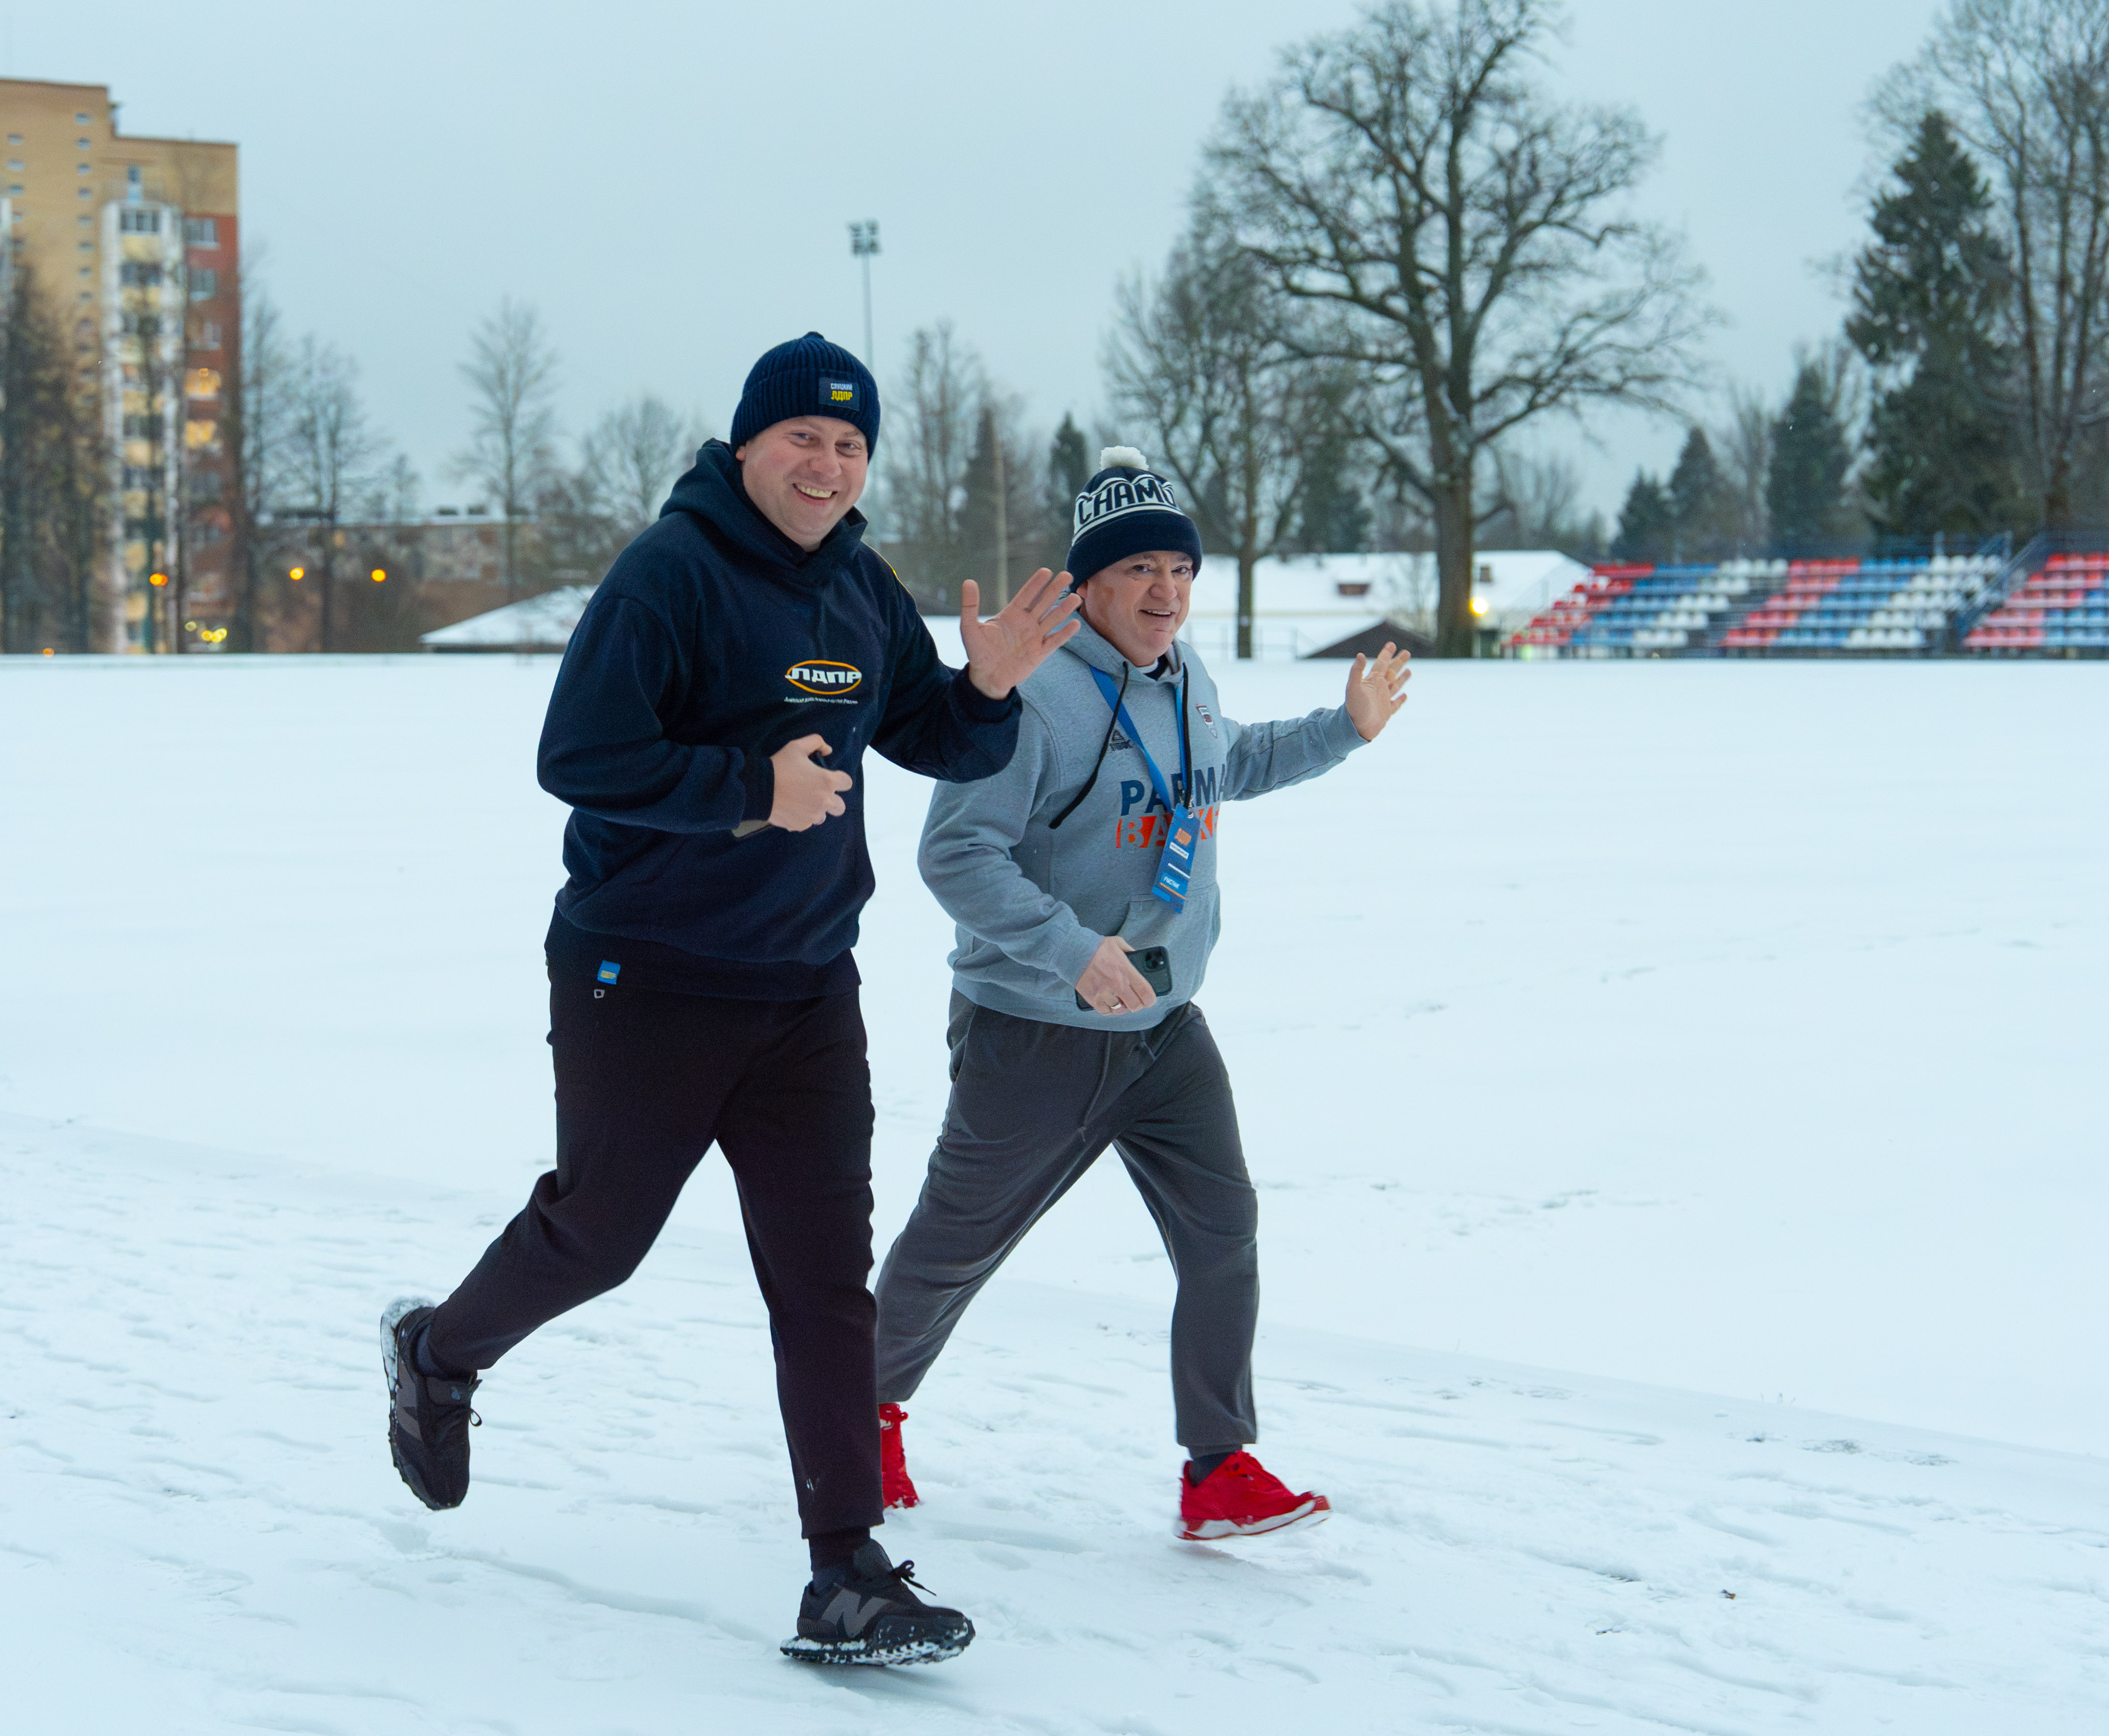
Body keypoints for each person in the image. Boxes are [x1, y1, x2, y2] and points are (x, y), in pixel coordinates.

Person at [378, 333, 1082, 1667]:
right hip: (646, 972)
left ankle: (845, 1570)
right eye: (804, 437)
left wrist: (986, 686)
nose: (828, 464)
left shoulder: (860, 587)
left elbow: (928, 733)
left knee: (824, 1279)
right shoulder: (669, 574)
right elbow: (579, 752)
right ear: (748, 441)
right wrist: (753, 788)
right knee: (601, 1234)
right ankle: (439, 1352)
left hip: (805, 985)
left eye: (851, 445)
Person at [872, 447, 1412, 1540]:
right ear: (1089, 583)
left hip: (1164, 1028)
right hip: (1037, 1032)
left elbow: (1224, 765)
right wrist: (1071, 951)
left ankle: (1217, 1467)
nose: (1166, 592)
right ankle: (854, 1417)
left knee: (1221, 1227)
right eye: (1139, 570)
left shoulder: (1184, 676)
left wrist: (1340, 730)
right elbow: (956, 855)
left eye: (1181, 569)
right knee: (953, 1246)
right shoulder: (1030, 694)